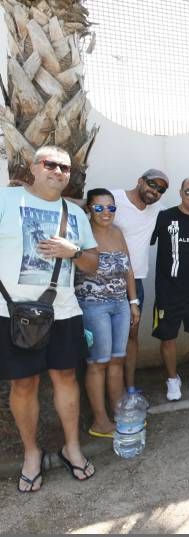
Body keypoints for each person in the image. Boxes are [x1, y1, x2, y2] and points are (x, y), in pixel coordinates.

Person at [1, 145, 99, 491]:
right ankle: (31, 453)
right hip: (14, 313)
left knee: (66, 377)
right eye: (51, 165)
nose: (58, 172)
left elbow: (92, 263)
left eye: (65, 168)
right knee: (24, 384)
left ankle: (72, 447)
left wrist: (73, 253)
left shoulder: (75, 214)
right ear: (33, 167)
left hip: (64, 311)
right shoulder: (6, 200)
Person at [75, 189, 138, 437]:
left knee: (116, 361)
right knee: (98, 363)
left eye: (111, 208)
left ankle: (119, 414)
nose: (106, 213)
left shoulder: (117, 232)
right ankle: (100, 422)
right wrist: (82, 202)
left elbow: (128, 268)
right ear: (88, 209)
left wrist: (133, 301)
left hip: (120, 305)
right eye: (98, 208)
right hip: (93, 306)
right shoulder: (81, 233)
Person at [150, 178, 189, 400]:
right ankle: (172, 379)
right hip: (169, 290)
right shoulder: (164, 217)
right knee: (168, 337)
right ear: (180, 192)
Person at [110, 169, 168, 390]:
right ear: (140, 180)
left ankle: (130, 386)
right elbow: (85, 203)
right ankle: (111, 391)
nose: (155, 191)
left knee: (132, 337)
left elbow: (181, 212)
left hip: (136, 284)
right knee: (108, 340)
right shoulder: (114, 198)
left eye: (161, 189)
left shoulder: (157, 210)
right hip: (107, 282)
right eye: (152, 184)